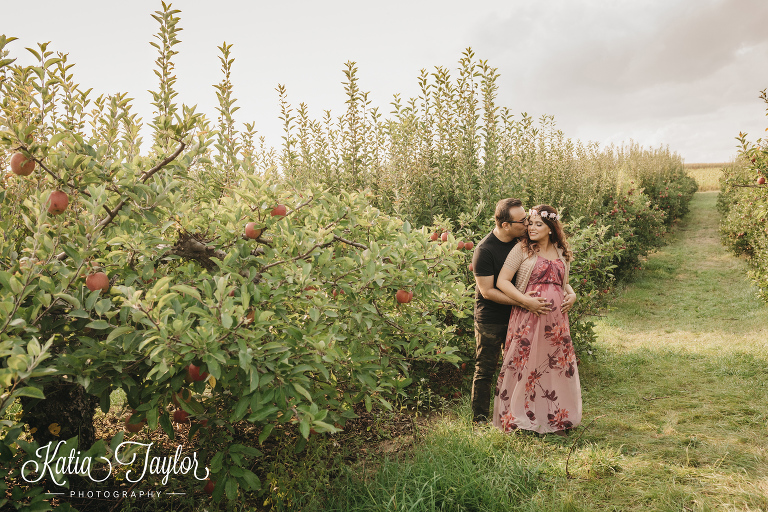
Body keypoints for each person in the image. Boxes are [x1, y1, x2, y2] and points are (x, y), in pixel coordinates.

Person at [470, 199, 576, 424]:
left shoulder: (525, 240)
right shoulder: (485, 250)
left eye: (532, 221)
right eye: (524, 221)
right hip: (492, 317)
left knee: (529, 366)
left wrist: (571, 293)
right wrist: (524, 302)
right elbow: (488, 291)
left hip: (528, 315)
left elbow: (557, 275)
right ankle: (479, 420)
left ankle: (532, 412)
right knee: (487, 367)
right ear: (506, 225)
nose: (528, 225)